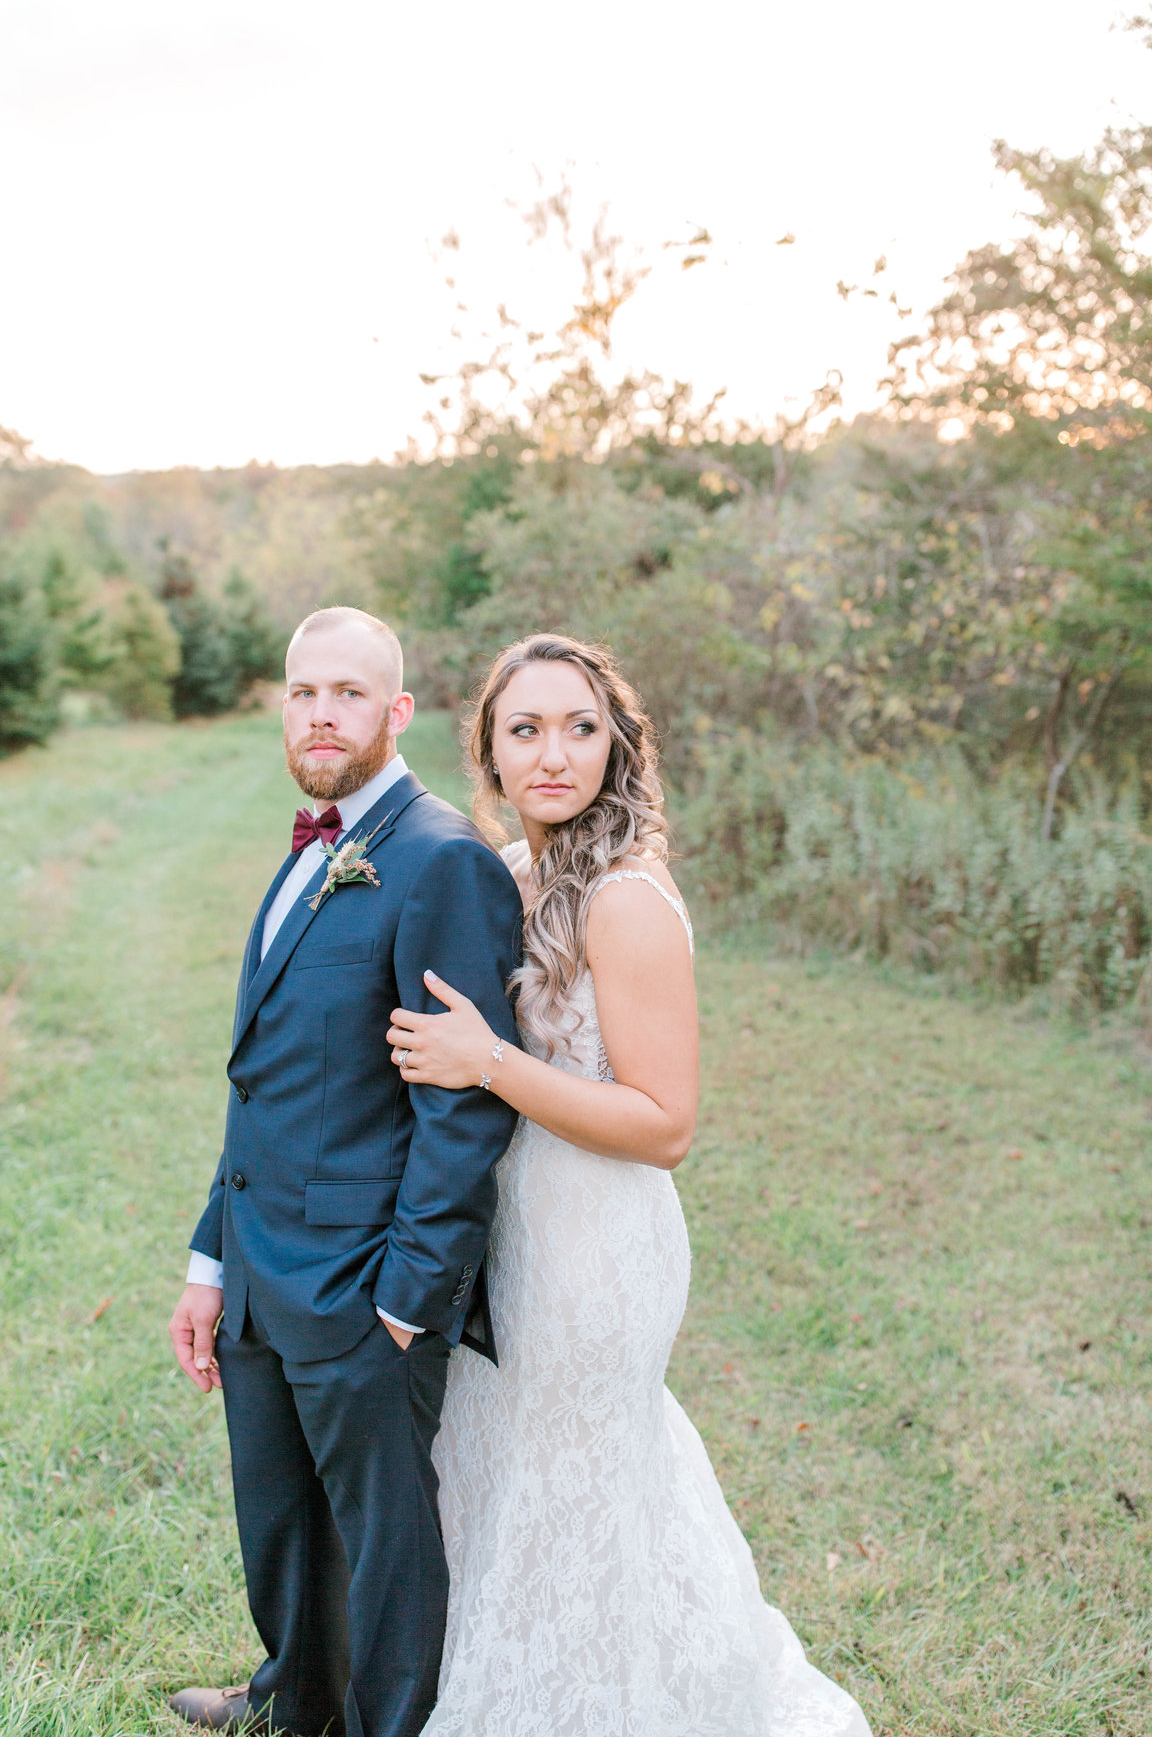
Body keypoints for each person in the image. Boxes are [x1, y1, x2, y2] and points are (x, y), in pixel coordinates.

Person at [386, 631, 873, 1737]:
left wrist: (493, 1064)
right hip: (509, 1233)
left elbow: (666, 1125)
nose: (553, 752)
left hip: (596, 1244)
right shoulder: (513, 874)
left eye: (579, 727)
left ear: (616, 744)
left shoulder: (626, 899)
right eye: (525, 729)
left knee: (582, 1476)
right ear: (491, 754)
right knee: (504, 1468)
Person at [166, 606, 523, 1737]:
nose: (323, 714)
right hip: (261, 1264)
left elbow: (463, 1109)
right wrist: (207, 1261)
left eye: (350, 694)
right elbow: (264, 1079)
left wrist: (412, 1299)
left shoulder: (441, 860)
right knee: (279, 1514)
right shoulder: (311, 848)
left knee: (382, 1539)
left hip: (366, 1280)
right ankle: (294, 1698)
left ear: (397, 711)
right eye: (305, 692)